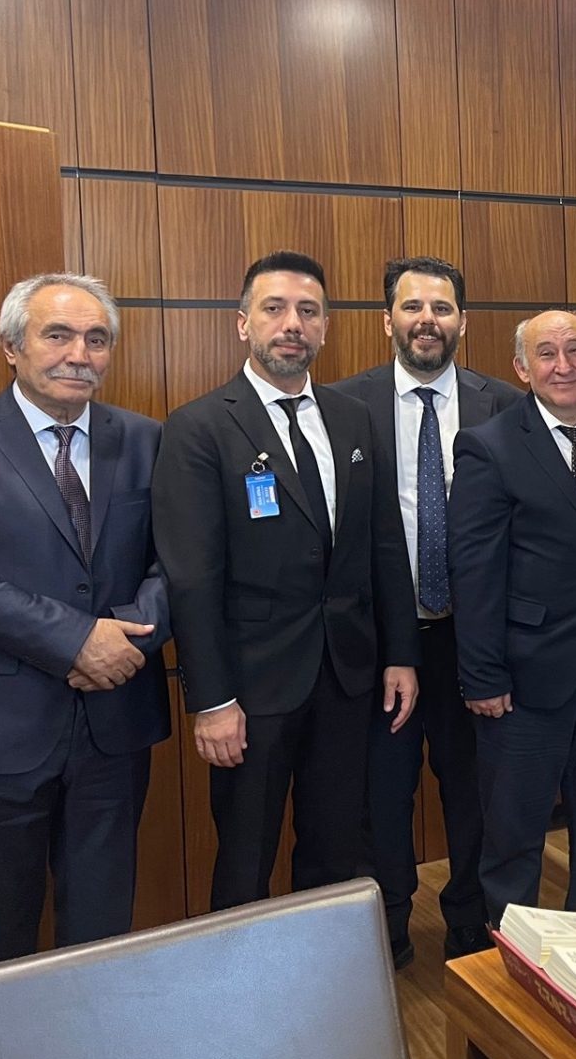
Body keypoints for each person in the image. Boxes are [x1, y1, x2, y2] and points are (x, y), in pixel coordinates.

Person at [0, 274, 170, 967]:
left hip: (114, 728)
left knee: (101, 936)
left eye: (96, 339)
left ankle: (91, 1043)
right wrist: (78, 639)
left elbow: (179, 564)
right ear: (11, 346)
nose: (79, 354)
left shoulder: (147, 440)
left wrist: (128, 637)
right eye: (58, 335)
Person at [153, 251, 419, 910]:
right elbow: (192, 576)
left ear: (325, 326)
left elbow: (384, 544)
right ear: (243, 323)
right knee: (246, 858)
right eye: (274, 309)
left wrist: (401, 655)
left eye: (308, 311)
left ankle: (321, 973)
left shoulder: (352, 418)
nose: (292, 324)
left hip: (346, 678)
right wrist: (212, 699)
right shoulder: (199, 427)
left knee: (336, 852)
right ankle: (242, 980)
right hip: (251, 691)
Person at [332, 256, 522, 966]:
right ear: (387, 319)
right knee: (381, 793)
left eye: (441, 308)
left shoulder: (505, 405)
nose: (426, 321)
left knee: (474, 789)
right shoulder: (343, 407)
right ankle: (389, 923)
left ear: (462, 321)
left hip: (475, 639)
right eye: (412, 307)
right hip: (385, 640)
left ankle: (470, 918)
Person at [449, 310, 576, 918]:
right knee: (513, 844)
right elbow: (474, 572)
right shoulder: (489, 445)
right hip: (525, 681)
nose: (564, 365)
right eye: (547, 353)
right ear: (522, 368)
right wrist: (482, 677)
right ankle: (510, 969)